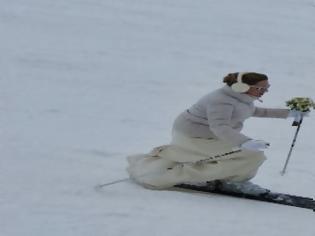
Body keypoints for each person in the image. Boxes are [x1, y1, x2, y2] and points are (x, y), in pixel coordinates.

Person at [127, 72, 308, 192]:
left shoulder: (242, 98)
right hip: (194, 136)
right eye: (261, 88)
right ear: (241, 86)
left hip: (211, 136)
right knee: (251, 156)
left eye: (266, 88)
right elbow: (219, 126)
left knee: (250, 156)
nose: (264, 91)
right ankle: (180, 176)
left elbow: (257, 111)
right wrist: (244, 142)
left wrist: (290, 113)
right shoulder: (221, 101)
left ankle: (227, 179)